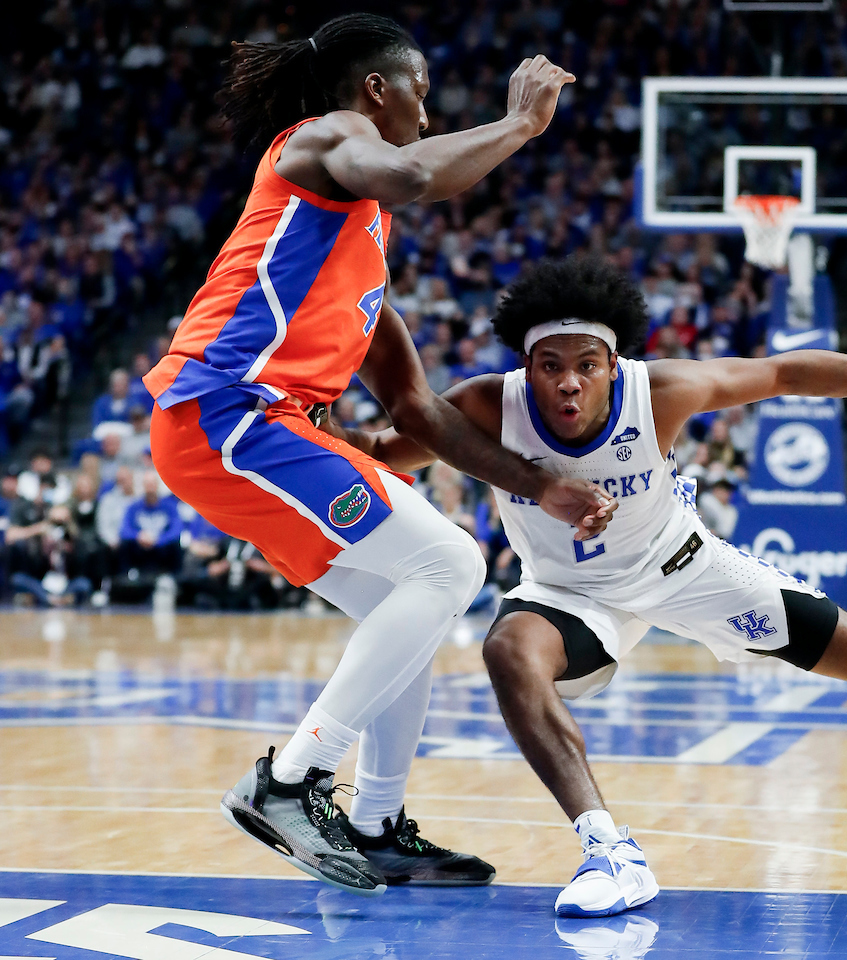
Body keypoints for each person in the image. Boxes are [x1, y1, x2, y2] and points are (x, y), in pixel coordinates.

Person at [355, 258, 847, 918]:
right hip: (570, 592)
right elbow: (388, 452)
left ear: (613, 367)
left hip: (682, 566)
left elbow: (782, 373)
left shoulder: (659, 392)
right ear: (527, 368)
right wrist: (307, 428)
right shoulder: (486, 405)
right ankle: (610, 852)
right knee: (510, 648)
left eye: (587, 365)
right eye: (551, 366)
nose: (569, 382)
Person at [141, 14, 612, 896]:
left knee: (414, 601)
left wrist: (540, 485)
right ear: (375, 91)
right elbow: (407, 173)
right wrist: (519, 125)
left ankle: (376, 824)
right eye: (421, 95)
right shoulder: (327, 140)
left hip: (245, 430)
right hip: (228, 410)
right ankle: (287, 783)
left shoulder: (358, 249)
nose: (427, 117)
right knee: (451, 562)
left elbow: (417, 410)